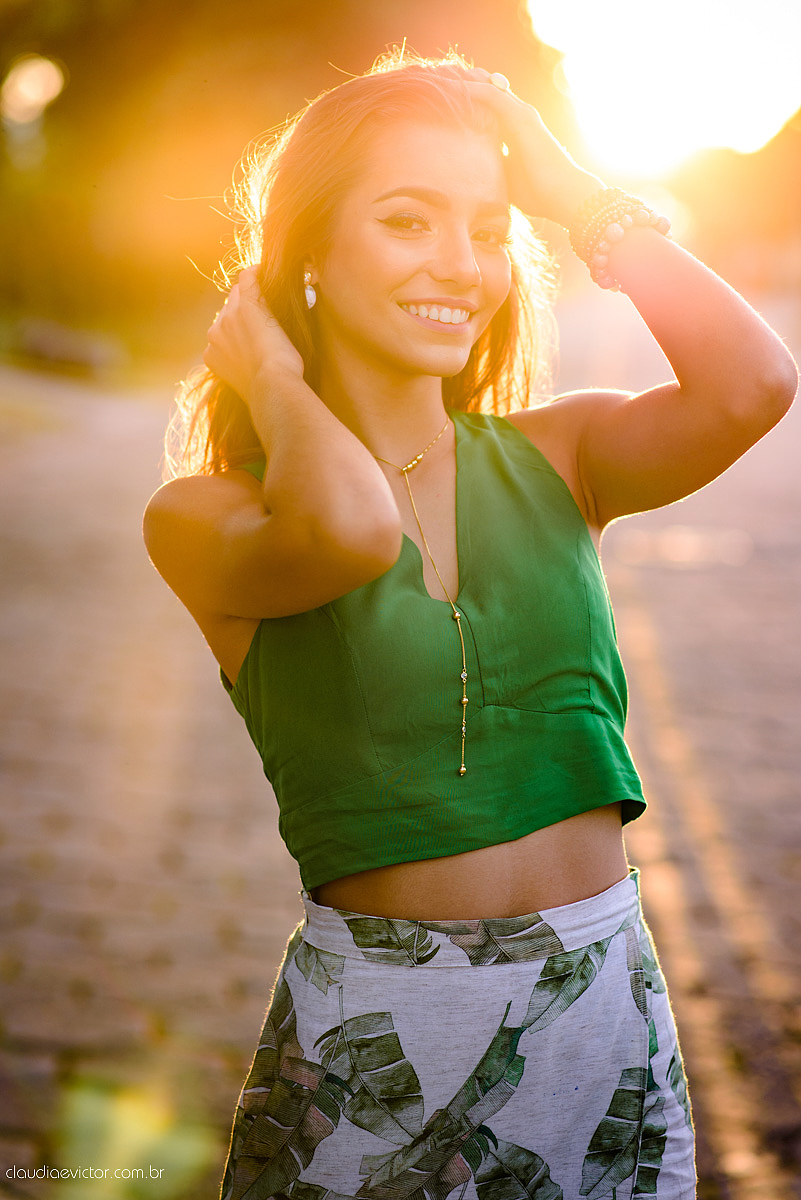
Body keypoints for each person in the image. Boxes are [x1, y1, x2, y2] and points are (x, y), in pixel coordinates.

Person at [143, 49, 797, 1200]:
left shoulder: (565, 453)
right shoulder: (206, 516)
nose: (460, 263)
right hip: (377, 1048)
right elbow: (349, 531)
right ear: (308, 256)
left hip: (601, 1027)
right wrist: (277, 384)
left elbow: (754, 385)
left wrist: (575, 193)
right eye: (408, 220)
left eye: (488, 230)